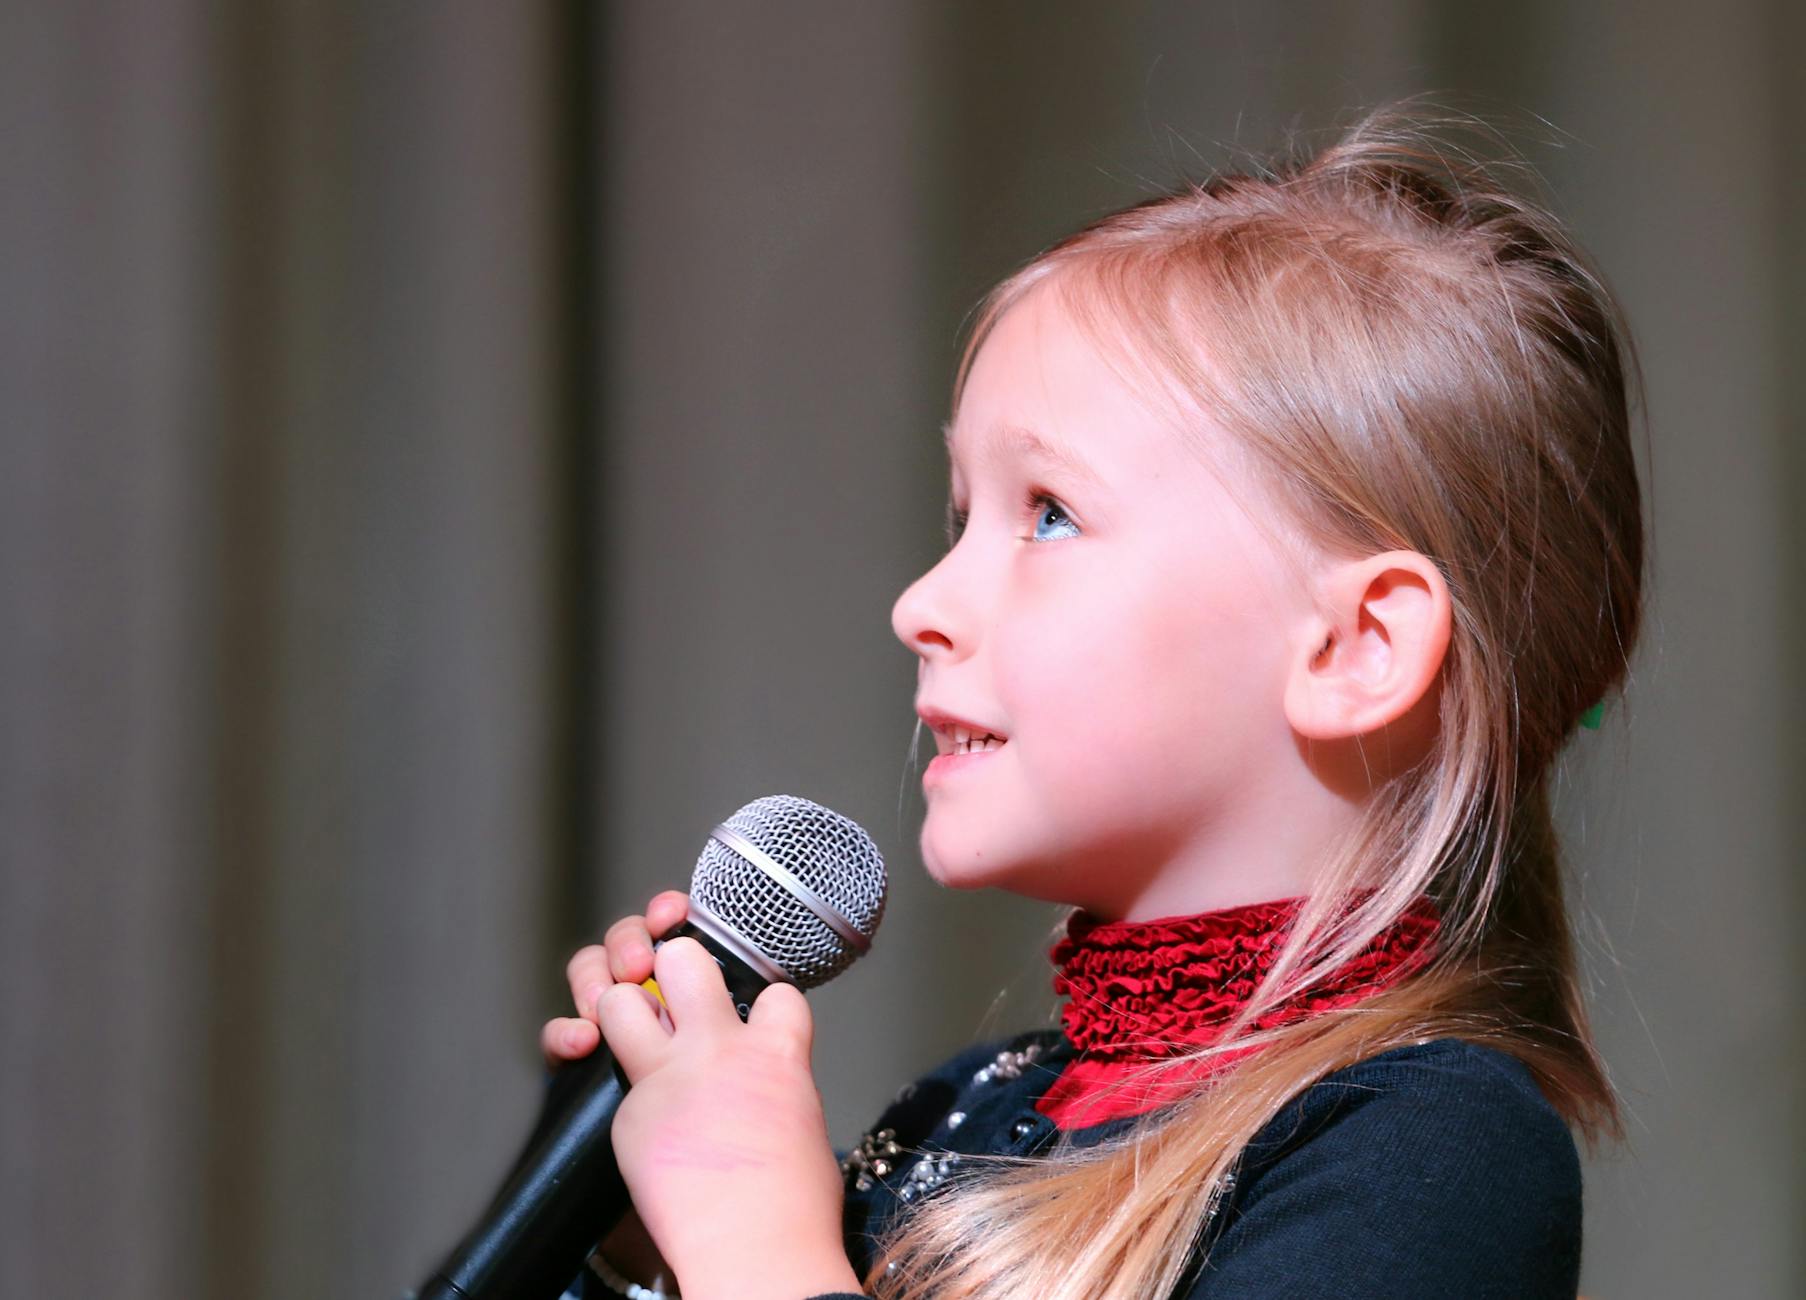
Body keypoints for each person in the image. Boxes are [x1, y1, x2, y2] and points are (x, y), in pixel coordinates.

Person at [544, 102, 1644, 1300]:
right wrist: (652, 1257)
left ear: (1356, 644)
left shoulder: (1428, 1146)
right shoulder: (958, 1110)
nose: (920, 603)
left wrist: (759, 1250)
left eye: (1050, 514)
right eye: (962, 518)